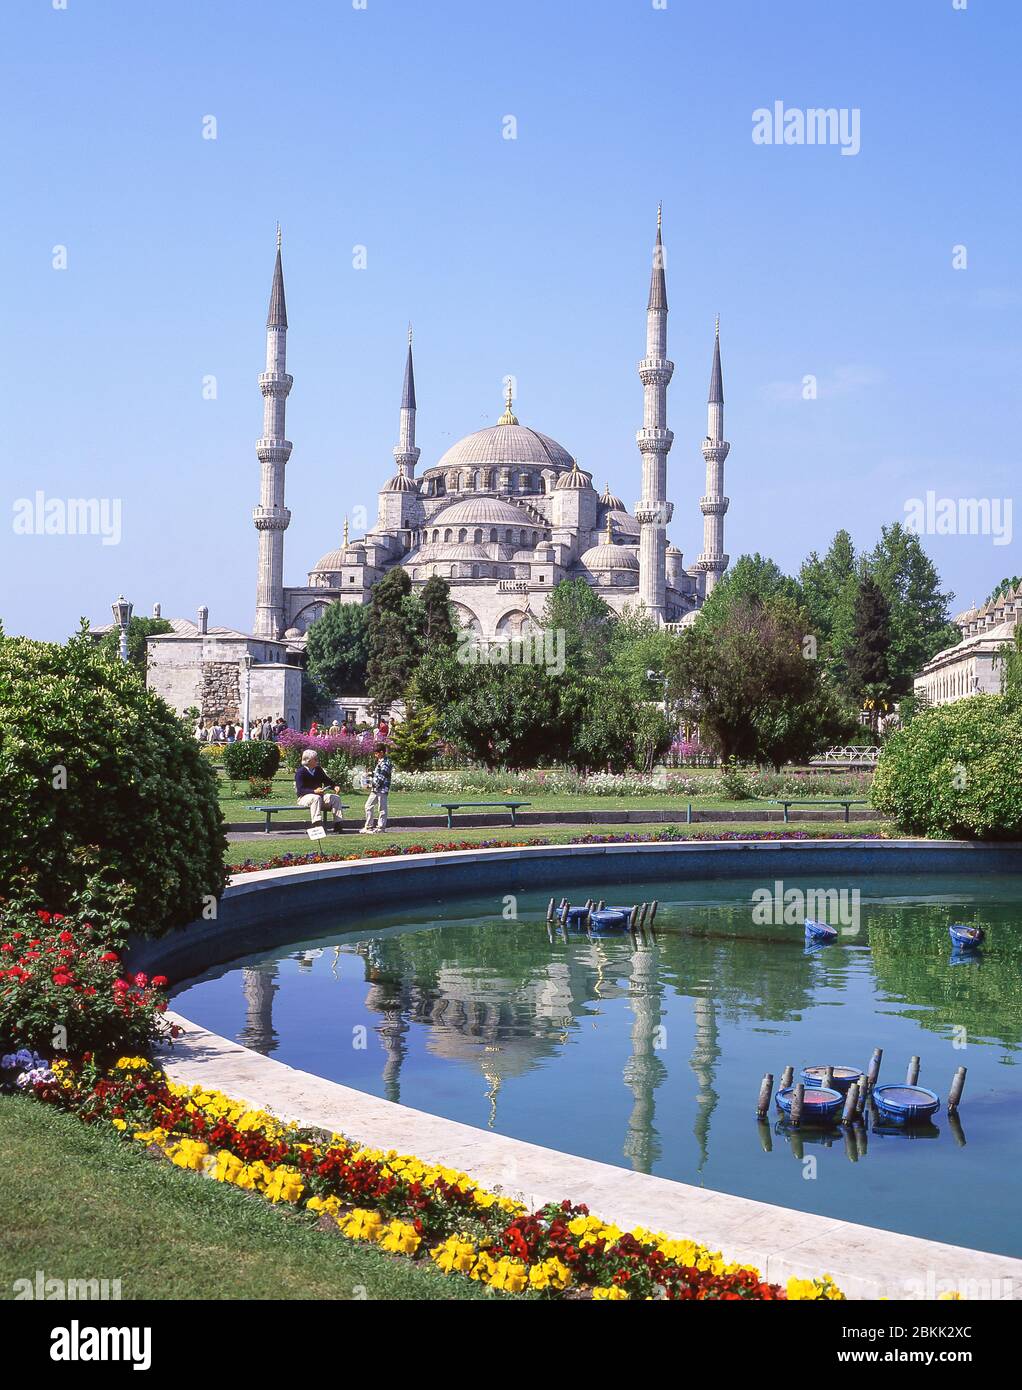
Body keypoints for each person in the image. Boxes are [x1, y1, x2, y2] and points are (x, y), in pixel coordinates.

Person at [295, 749, 344, 832]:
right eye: (315, 759)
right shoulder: (300, 772)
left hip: (320, 797)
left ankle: (338, 824)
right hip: (304, 798)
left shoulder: (318, 770)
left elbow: (327, 780)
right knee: (316, 798)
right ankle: (317, 824)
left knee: (335, 798)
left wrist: (334, 786)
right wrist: (314, 791)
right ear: (309, 761)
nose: (317, 761)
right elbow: (300, 790)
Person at [361, 744, 392, 834]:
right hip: (375, 790)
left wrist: (370, 785)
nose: (375, 755)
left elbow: (381, 778)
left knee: (382, 809)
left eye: (376, 753)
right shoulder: (380, 762)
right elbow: (377, 773)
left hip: (382, 790)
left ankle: (381, 828)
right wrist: (370, 774)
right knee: (368, 806)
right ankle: (369, 826)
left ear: (381, 752)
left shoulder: (386, 763)